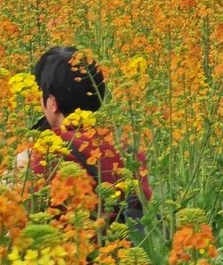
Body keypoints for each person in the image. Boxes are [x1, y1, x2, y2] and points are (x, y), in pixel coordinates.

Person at [20, 47, 150, 227]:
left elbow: (20, 215)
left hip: (73, 249)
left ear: (51, 103)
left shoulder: (45, 153)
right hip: (127, 246)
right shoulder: (126, 144)